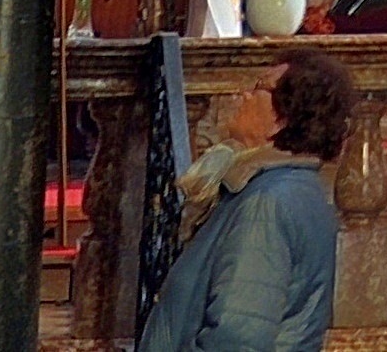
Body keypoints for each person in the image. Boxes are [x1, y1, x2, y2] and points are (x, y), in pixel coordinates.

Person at [137, 47, 351, 352]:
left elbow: (237, 335)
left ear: (282, 118)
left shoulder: (267, 203)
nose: (243, 95)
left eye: (258, 87)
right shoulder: (293, 188)